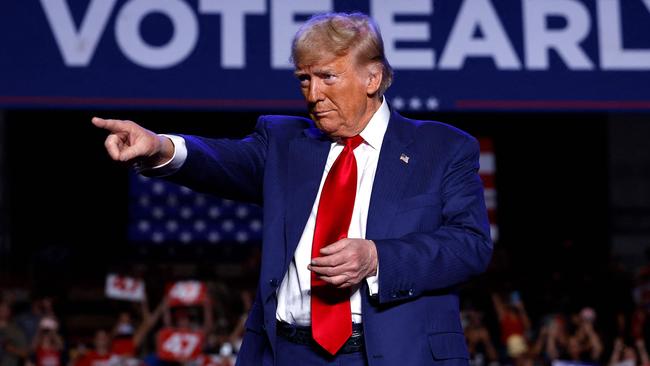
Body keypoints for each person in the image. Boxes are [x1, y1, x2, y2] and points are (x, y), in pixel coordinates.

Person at [92, 12, 492, 366]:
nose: (313, 95)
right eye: (304, 79)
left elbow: (470, 245)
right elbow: (223, 161)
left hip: (391, 351)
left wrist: (376, 258)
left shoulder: (441, 148)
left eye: (328, 77)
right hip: (286, 351)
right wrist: (160, 146)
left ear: (372, 77)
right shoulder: (284, 142)